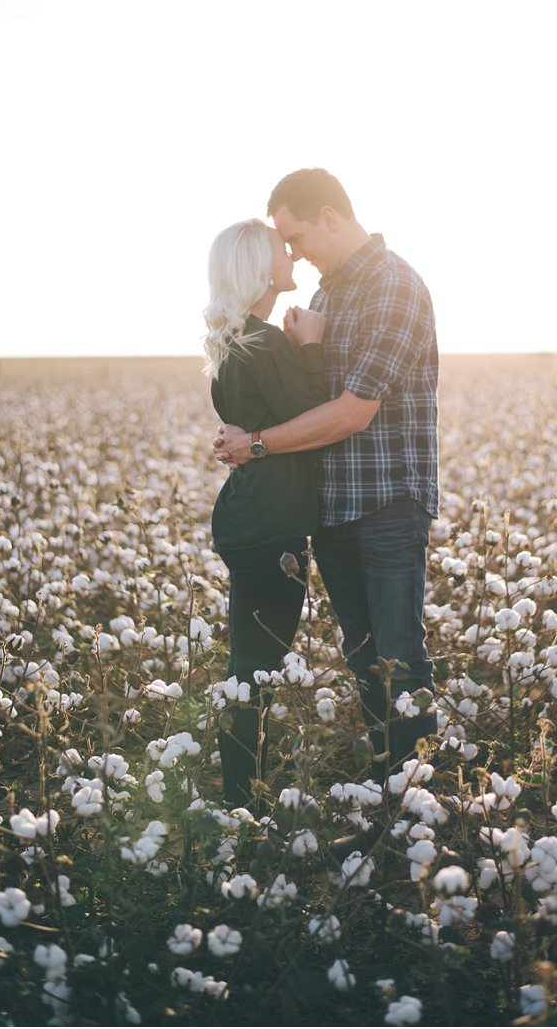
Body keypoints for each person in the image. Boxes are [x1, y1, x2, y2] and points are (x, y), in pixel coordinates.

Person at [214, 168, 440, 784]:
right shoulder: (323, 297)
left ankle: (414, 812)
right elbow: (299, 401)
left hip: (388, 502)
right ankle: (385, 802)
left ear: (330, 219)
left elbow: (351, 411)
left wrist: (254, 445)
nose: (293, 252)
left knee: (398, 657)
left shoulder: (393, 286)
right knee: (366, 659)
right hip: (333, 509)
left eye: (296, 237)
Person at [203, 218, 328, 810]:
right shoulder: (266, 342)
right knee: (256, 671)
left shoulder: (236, 341)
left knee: (248, 667)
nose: (292, 256)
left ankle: (240, 797)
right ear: (258, 268)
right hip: (270, 527)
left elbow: (265, 426)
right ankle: (241, 804)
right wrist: (311, 348)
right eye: (281, 250)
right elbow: (315, 419)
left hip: (249, 521)